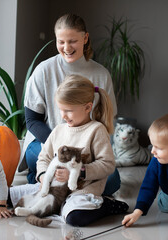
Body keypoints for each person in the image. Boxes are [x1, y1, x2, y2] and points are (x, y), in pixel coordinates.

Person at [19, 13, 120, 196]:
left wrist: (85, 158)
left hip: (84, 148)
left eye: (72, 41)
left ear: (85, 38)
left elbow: (106, 119)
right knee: (50, 165)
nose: (66, 48)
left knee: (112, 181)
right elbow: (32, 121)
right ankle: (43, 176)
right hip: (45, 142)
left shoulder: (101, 74)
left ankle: (59, 185)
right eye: (61, 42)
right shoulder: (43, 71)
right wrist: (62, 148)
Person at [34, 75, 128, 226]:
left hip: (81, 192)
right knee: (13, 195)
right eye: (60, 110)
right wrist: (44, 176)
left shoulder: (96, 130)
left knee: (74, 217)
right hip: (56, 189)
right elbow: (43, 158)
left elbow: (108, 164)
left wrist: (77, 172)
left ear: (87, 107)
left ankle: (106, 205)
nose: (63, 115)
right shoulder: (59, 130)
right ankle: (59, 206)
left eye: (68, 110)